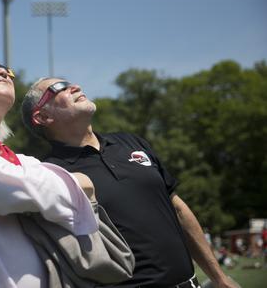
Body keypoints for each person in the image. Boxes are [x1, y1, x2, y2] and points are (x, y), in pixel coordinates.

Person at [0, 55, 131, 288]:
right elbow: (6, 188)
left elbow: (13, 188)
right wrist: (73, 183)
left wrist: (19, 195)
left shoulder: (24, 162)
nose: (1, 71)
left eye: (4, 69)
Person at [21, 77, 239, 288]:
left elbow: (178, 209)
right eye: (60, 87)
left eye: (70, 83)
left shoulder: (129, 141)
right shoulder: (51, 174)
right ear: (42, 117)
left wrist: (218, 276)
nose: (75, 86)